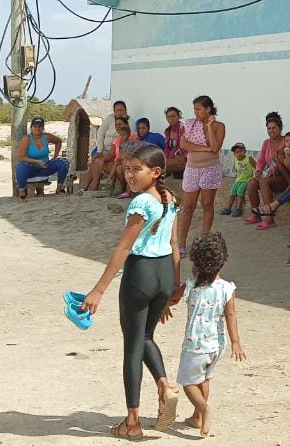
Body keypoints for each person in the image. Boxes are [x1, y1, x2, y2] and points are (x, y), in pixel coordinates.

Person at [79, 144, 181, 440]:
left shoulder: (141, 204)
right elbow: (175, 245)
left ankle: (133, 422)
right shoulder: (171, 199)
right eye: (127, 168)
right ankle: (164, 385)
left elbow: (124, 248)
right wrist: (174, 286)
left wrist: (98, 290)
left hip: (140, 275)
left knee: (133, 348)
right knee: (146, 337)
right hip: (163, 275)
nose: (129, 174)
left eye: (137, 169)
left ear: (156, 172)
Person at [163, 232, 245, 437]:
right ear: (223, 261)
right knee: (204, 379)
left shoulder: (190, 285)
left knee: (188, 382)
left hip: (195, 345)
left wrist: (165, 304)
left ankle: (204, 409)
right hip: (217, 345)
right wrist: (236, 342)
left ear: (196, 263)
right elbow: (231, 314)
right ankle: (197, 417)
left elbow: (172, 299)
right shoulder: (227, 288)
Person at [178, 96, 226, 253]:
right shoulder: (191, 124)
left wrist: (210, 126)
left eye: (198, 109)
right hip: (192, 168)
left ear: (208, 109)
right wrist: (203, 149)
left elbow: (215, 147)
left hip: (210, 168)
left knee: (207, 204)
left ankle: (204, 239)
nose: (195, 112)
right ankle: (182, 243)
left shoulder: (219, 126)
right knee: (188, 207)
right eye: (194, 109)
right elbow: (184, 144)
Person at [245, 112, 289, 230]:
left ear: (280, 128)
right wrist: (259, 170)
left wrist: (271, 171)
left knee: (264, 182)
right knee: (252, 182)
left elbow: (283, 161)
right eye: (269, 128)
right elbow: (261, 160)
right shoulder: (266, 143)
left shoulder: (286, 141)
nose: (271, 131)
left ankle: (269, 219)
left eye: (274, 128)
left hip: (283, 176)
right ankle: (256, 214)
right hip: (270, 176)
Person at [14, 116, 70, 200]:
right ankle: (22, 193)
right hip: (31, 170)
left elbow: (58, 141)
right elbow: (20, 157)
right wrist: (36, 161)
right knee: (21, 166)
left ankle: (59, 189)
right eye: (35, 126)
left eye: (39, 126)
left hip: (45, 168)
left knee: (64, 162)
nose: (37, 128)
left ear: (43, 127)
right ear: (31, 127)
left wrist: (54, 157)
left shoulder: (46, 137)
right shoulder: (27, 139)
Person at [82, 99, 129, 193]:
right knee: (96, 160)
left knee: (97, 162)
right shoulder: (109, 118)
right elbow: (100, 134)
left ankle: (91, 186)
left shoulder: (128, 124)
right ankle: (88, 186)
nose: (119, 112)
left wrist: (103, 159)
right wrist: (100, 151)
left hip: (115, 153)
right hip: (104, 148)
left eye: (121, 110)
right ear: (114, 111)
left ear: (125, 110)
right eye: (117, 110)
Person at [219, 143, 254, 217]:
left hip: (246, 180)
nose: (239, 153)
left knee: (239, 192)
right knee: (232, 193)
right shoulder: (235, 160)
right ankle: (228, 208)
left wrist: (254, 177)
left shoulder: (249, 159)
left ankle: (238, 209)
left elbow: (257, 167)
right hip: (238, 180)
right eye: (237, 152)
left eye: (241, 151)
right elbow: (237, 171)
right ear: (234, 154)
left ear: (245, 151)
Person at [163, 107, 187, 177]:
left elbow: (188, 145)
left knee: (162, 165)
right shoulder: (167, 131)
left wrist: (184, 157)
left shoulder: (183, 128)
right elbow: (167, 148)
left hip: (183, 158)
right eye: (169, 117)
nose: (171, 119)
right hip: (171, 159)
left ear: (178, 117)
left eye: (174, 116)